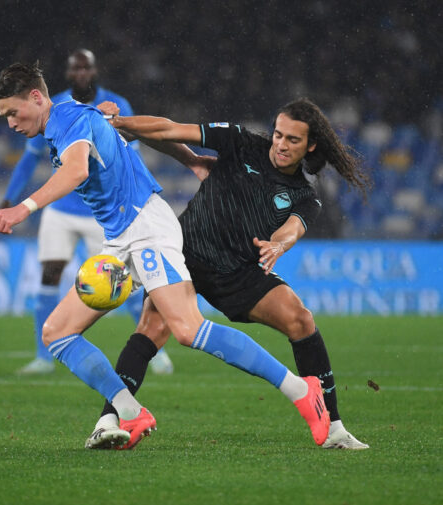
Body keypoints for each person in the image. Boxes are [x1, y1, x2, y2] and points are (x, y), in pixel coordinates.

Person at [0, 62, 330, 450]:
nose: (11, 123)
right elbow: (121, 143)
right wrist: (186, 158)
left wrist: (23, 208)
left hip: (146, 228)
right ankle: (130, 412)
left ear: (36, 97)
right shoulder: (69, 120)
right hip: (121, 236)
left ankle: (301, 390)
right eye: (5, 117)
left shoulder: (66, 119)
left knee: (187, 329)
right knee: (58, 333)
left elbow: (77, 171)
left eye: (13, 112)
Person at [90, 97, 371, 450]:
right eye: (278, 135)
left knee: (300, 319)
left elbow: (293, 229)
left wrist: (279, 245)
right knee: (151, 328)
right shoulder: (241, 142)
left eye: (292, 140)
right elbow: (172, 129)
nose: (281, 145)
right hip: (186, 255)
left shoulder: (304, 196)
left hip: (238, 271)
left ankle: (334, 429)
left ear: (310, 145)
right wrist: (121, 123)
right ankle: (110, 420)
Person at [2, 49, 173, 376]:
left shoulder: (115, 103)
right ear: (68, 73)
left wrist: (109, 123)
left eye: (86, 67)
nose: (80, 73)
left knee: (122, 281)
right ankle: (43, 355)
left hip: (102, 213)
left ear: (95, 70)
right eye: (75, 68)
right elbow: (29, 158)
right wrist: (9, 199)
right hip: (62, 209)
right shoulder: (52, 107)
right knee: (49, 273)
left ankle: (155, 347)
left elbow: (126, 150)